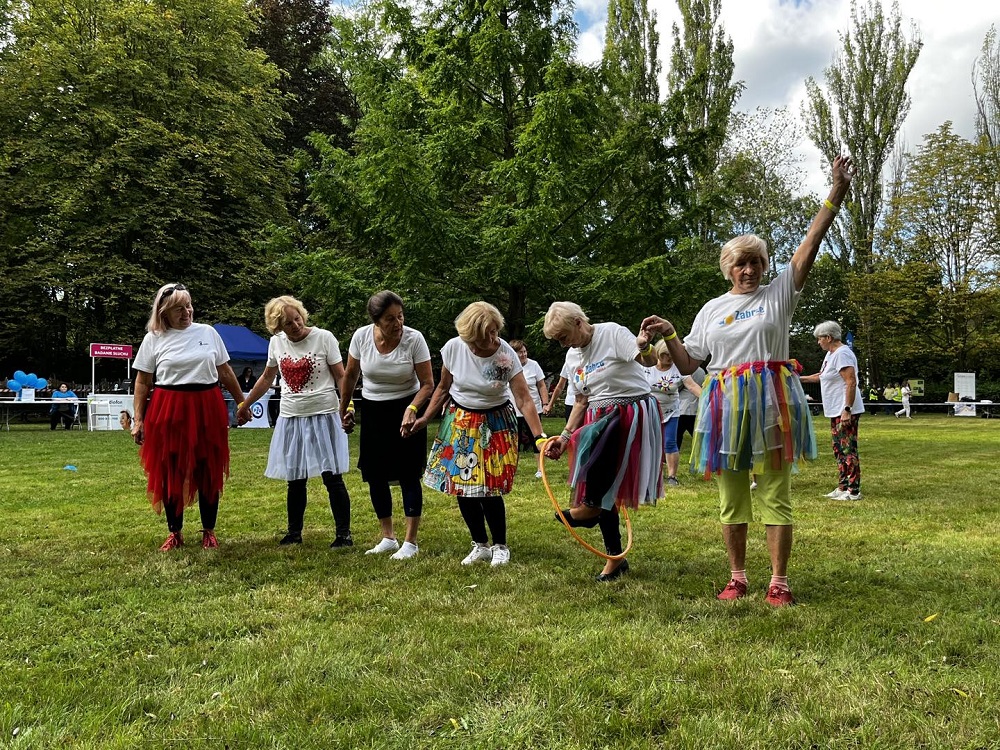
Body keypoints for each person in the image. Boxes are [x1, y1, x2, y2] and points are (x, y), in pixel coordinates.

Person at [640, 154, 854, 606]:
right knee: (732, 491)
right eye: (741, 263)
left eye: (756, 262)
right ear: (728, 267)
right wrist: (669, 333)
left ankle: (779, 581)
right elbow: (688, 361)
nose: (750, 270)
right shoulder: (712, 308)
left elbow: (811, 242)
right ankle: (737, 577)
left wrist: (835, 192)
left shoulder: (779, 293)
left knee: (775, 490)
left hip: (772, 399)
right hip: (724, 402)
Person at [409, 301, 545, 567]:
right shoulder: (453, 348)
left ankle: (500, 545)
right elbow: (443, 388)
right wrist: (425, 417)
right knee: (462, 486)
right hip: (461, 420)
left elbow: (524, 399)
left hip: (495, 421)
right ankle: (480, 544)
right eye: (485, 336)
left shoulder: (506, 355)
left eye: (495, 332)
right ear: (468, 336)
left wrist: (539, 437)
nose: (492, 339)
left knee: (489, 488)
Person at [542, 302, 663, 581]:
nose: (562, 345)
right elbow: (581, 400)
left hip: (629, 414)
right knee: (602, 486)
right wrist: (564, 436)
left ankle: (590, 511)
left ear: (578, 322)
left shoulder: (611, 333)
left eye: (563, 337)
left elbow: (648, 361)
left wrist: (644, 345)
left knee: (602, 482)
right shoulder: (573, 357)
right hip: (598, 418)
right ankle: (614, 557)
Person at [132, 283, 245, 551]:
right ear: (164, 313)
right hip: (168, 406)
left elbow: (225, 371)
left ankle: (209, 530)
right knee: (170, 468)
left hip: (207, 404)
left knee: (208, 467)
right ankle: (175, 531)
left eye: (189, 305)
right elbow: (142, 381)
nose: (187, 312)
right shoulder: (154, 338)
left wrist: (242, 401)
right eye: (179, 309)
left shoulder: (208, 332)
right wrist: (138, 419)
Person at [237, 296, 353, 547]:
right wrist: (245, 404)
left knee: (332, 477)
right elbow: (267, 378)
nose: (296, 325)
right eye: (288, 323)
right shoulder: (276, 343)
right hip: (291, 416)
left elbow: (341, 376)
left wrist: (347, 406)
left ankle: (343, 534)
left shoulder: (324, 337)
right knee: (295, 479)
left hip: (324, 413)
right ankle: (294, 533)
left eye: (297, 318)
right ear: (278, 327)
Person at [339, 290, 434, 560]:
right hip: (373, 409)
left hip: (407, 406)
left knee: (408, 472)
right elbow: (350, 375)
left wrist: (413, 409)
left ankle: (410, 542)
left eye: (401, 316)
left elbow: (428, 384)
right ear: (376, 321)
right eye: (390, 319)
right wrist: (344, 407)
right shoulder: (361, 337)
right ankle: (388, 537)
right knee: (375, 473)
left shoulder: (414, 339)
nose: (398, 323)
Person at [800, 321, 865, 501]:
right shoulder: (831, 354)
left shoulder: (843, 354)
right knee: (838, 449)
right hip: (835, 410)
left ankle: (853, 490)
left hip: (844, 409)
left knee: (847, 448)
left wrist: (847, 409)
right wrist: (797, 378)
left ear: (829, 337)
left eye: (819, 338)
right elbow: (822, 376)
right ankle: (842, 486)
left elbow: (851, 382)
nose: (818, 342)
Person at [645, 341, 684, 487]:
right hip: (650, 410)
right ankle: (649, 473)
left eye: (671, 355)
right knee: (648, 442)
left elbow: (691, 385)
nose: (668, 357)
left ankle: (672, 476)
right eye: (665, 354)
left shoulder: (678, 368)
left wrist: (707, 399)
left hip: (671, 410)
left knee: (669, 442)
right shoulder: (647, 366)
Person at [509, 339, 549, 479]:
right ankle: (512, 469)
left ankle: (540, 469)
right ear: (513, 354)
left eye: (525, 352)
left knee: (536, 439)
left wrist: (545, 403)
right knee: (513, 441)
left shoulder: (534, 365)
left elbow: (541, 385)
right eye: (520, 352)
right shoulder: (507, 366)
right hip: (513, 410)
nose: (523, 355)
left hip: (533, 409)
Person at [675, 366, 705, 454]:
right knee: (697, 436)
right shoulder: (701, 371)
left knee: (677, 436)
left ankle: (671, 455)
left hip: (681, 407)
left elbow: (678, 387)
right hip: (695, 407)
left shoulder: (684, 369)